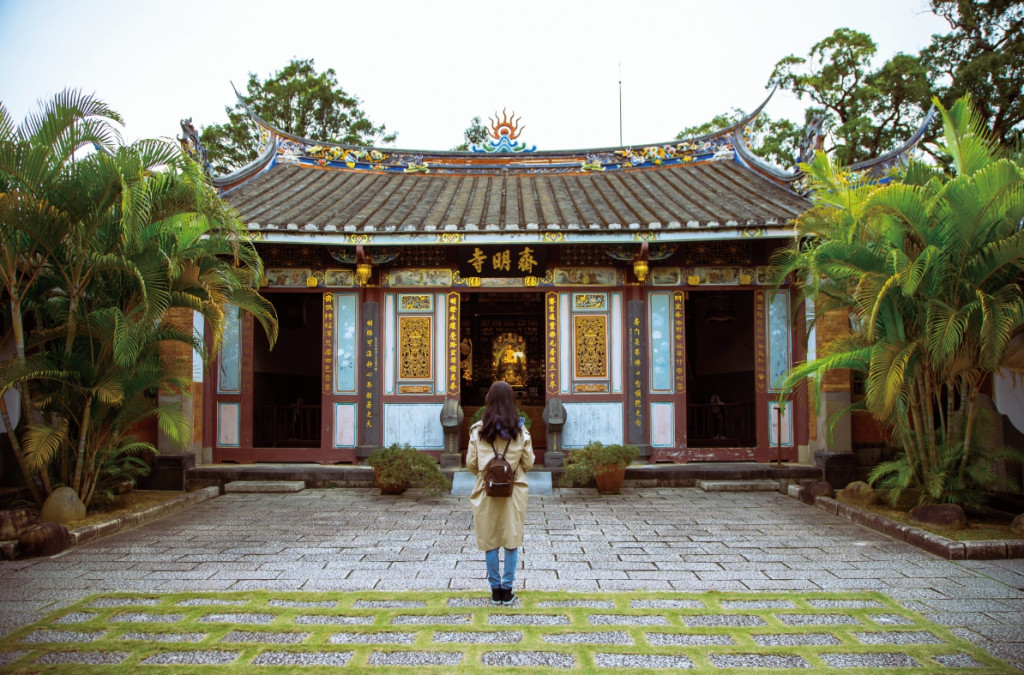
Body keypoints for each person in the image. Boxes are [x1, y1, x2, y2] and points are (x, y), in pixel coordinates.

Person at [467, 380, 535, 605]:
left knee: (490, 539)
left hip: (485, 489)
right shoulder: (520, 432)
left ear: (489, 401)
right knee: (511, 539)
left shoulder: (478, 430)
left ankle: (495, 590)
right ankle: (508, 589)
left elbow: (471, 463)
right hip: (513, 489)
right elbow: (529, 462)